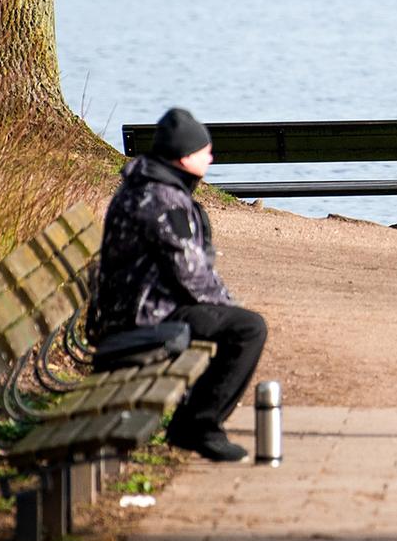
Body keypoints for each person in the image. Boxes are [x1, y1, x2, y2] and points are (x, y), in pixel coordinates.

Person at [90, 106, 269, 464]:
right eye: (206, 151)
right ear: (186, 158)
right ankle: (199, 426)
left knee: (235, 322)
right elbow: (192, 275)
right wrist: (229, 306)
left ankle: (193, 423)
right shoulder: (163, 200)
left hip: (137, 306)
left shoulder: (148, 186)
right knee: (248, 328)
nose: (211, 157)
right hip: (144, 317)